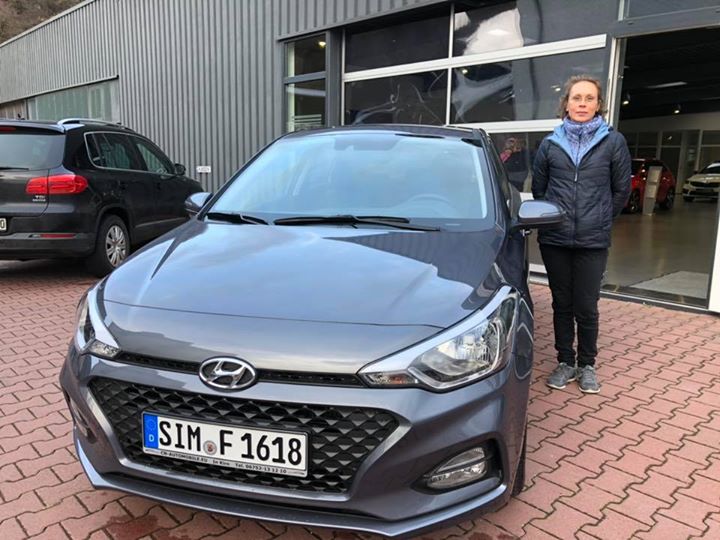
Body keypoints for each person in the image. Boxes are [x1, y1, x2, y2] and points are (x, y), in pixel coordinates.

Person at [532, 75, 631, 394]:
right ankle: (565, 361)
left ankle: (587, 365)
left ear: (598, 104)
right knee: (562, 303)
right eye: (577, 98)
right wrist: (552, 221)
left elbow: (622, 190)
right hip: (555, 239)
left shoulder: (613, 142)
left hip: (592, 240)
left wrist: (599, 220)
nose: (583, 104)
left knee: (586, 306)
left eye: (590, 98)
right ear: (567, 104)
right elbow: (539, 189)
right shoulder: (550, 144)